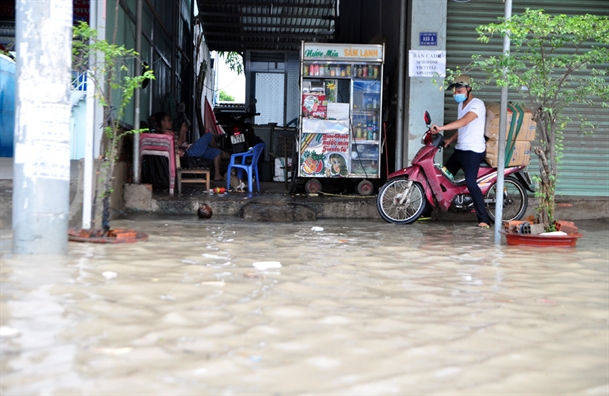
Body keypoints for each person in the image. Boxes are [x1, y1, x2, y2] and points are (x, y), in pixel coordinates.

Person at [430, 75, 491, 229]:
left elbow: (465, 121)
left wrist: (441, 128)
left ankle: (483, 220)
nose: (456, 92)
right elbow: (462, 127)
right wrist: (450, 140)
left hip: (473, 150)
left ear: (469, 89)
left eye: (459, 89)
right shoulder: (461, 105)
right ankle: (431, 210)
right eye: (455, 90)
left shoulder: (477, 105)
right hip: (460, 149)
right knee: (443, 175)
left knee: (471, 182)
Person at [154, 111, 230, 181]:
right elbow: (179, 146)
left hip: (188, 150)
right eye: (169, 120)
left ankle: (217, 175)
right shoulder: (165, 135)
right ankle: (225, 153)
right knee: (209, 135)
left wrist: (184, 132)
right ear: (163, 123)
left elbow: (183, 142)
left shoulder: (169, 132)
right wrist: (181, 132)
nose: (171, 122)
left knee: (216, 153)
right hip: (187, 153)